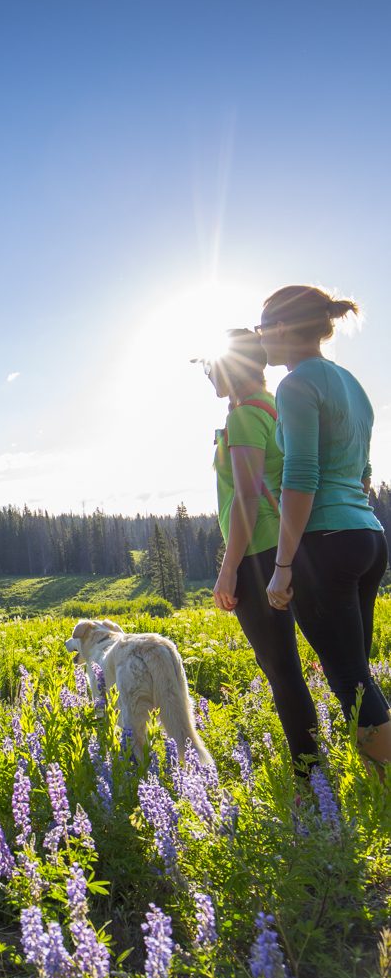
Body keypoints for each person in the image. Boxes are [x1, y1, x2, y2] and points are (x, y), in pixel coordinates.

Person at [259, 285, 390, 766]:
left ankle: (386, 791)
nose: (259, 339)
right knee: (358, 672)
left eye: (262, 328)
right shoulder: (350, 383)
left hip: (325, 543)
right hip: (367, 537)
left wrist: (283, 564)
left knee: (350, 678)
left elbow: (301, 477)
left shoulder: (295, 386)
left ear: (282, 329)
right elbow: (365, 474)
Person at [204, 328, 318, 769]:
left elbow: (247, 497)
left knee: (281, 669)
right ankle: (345, 764)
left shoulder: (244, 417)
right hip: (287, 544)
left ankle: (310, 780)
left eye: (213, 370)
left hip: (257, 552)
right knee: (303, 664)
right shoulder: (273, 408)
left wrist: (228, 568)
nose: (211, 380)